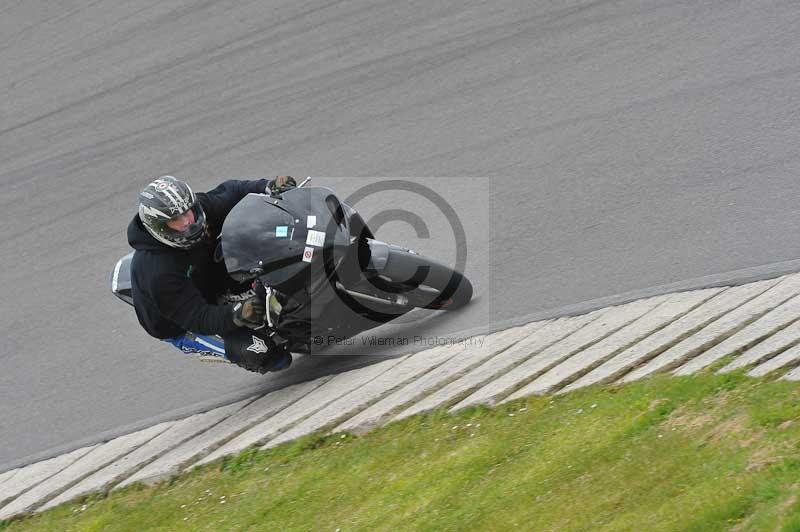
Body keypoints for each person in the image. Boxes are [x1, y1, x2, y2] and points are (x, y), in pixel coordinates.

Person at [127, 174, 297, 373]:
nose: (188, 221)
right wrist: (236, 314)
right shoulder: (157, 272)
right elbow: (196, 316)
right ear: (159, 227)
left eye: (188, 211)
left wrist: (268, 186)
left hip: (204, 275)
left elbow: (233, 192)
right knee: (262, 353)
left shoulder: (198, 211)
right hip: (181, 322)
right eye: (176, 220)